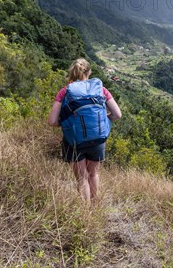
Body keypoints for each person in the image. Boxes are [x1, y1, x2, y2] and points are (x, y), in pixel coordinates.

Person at [48, 58, 122, 202]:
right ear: (89, 72)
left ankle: (86, 214)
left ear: (72, 73)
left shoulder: (64, 92)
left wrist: (65, 123)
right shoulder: (101, 89)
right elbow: (118, 114)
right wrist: (104, 119)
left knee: (82, 178)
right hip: (98, 137)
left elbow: (51, 121)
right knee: (93, 174)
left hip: (74, 139)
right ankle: (95, 208)